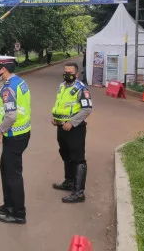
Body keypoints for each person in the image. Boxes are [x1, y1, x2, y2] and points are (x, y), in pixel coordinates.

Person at [0, 55, 31, 224]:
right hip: (21, 133)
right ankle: (8, 205)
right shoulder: (20, 82)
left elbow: (11, 116)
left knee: (13, 175)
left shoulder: (8, 88)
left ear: (4, 69)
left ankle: (18, 213)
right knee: (5, 169)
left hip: (14, 136)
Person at [51, 62, 93, 203]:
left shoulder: (81, 88)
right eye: (65, 71)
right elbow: (61, 105)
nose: (66, 74)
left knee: (78, 159)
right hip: (61, 127)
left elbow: (86, 109)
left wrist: (72, 122)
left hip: (75, 129)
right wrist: (56, 118)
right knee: (66, 155)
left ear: (76, 74)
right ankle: (69, 182)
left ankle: (79, 192)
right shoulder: (62, 86)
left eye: (70, 72)